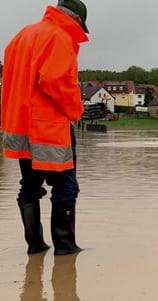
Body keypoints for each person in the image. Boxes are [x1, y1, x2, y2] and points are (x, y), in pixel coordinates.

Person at [1, 0, 90, 255]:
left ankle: (36, 246)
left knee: (29, 185)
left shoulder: (21, 36)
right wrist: (76, 111)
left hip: (20, 125)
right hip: (49, 128)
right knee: (66, 186)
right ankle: (66, 247)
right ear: (76, 20)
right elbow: (56, 81)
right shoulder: (59, 37)